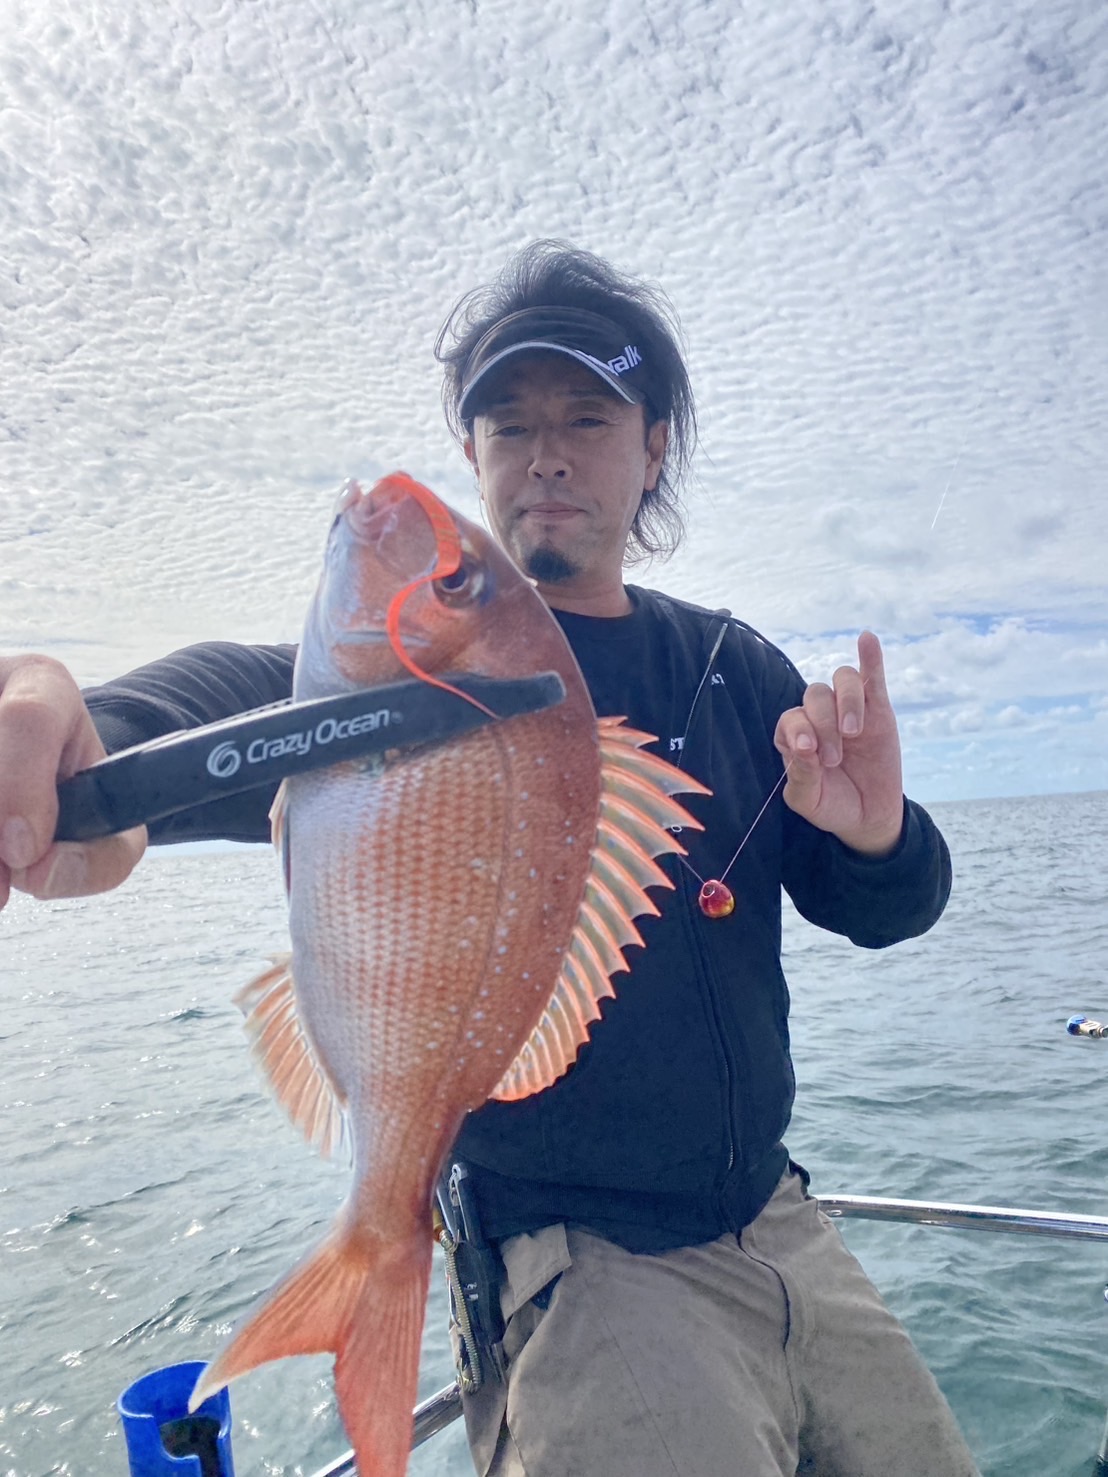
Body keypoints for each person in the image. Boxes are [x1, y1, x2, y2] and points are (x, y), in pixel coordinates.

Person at [0, 242, 979, 1476]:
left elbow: (887, 909)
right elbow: (214, 707)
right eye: (509, 425)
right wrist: (70, 721)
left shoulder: (735, 670)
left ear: (654, 447)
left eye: (587, 417)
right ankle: (379, 1250)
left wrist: (877, 831)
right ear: (474, 456)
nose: (546, 453)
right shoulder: (372, 694)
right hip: (582, 1274)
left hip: (784, 1224)